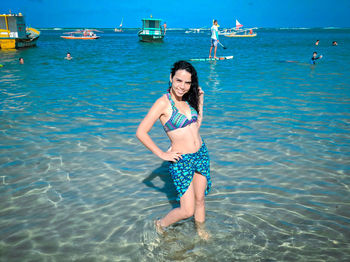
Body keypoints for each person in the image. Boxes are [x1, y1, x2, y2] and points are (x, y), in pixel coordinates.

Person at [136, 61, 211, 239]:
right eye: (178, 81)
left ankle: (200, 232)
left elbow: (195, 126)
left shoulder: (187, 100)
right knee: (187, 210)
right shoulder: (163, 103)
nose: (182, 86)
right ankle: (160, 224)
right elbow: (141, 132)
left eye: (187, 83)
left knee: (200, 199)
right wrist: (162, 154)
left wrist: (200, 102)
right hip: (181, 160)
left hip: (201, 154)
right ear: (171, 78)